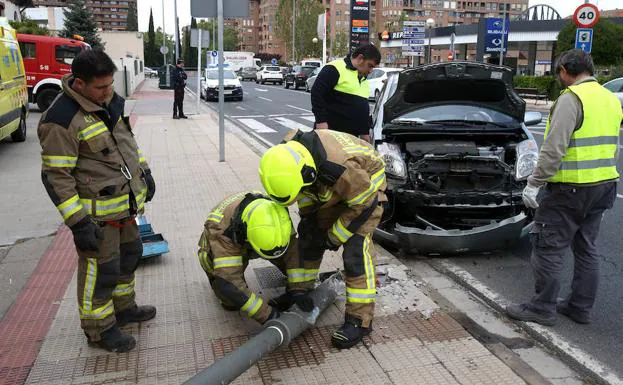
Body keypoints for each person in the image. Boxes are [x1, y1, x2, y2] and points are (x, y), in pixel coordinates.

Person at [38, 50, 157, 353]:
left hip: (125, 207)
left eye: (111, 85)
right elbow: (56, 177)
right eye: (101, 88)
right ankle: (99, 330)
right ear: (79, 84)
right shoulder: (61, 120)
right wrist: (78, 224)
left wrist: (145, 172)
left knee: (130, 256)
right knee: (101, 273)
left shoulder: (110, 102)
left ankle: (124, 309)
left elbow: (127, 144)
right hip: (96, 218)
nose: (109, 93)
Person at [506, 49, 622, 326]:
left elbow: (554, 149)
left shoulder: (571, 99)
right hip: (604, 184)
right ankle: (579, 307)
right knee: (586, 247)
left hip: (570, 188)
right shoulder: (610, 98)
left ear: (564, 71)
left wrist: (534, 184)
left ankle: (542, 308)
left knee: (548, 247)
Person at [259, 129, 386, 349]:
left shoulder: (339, 168)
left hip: (367, 190)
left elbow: (365, 203)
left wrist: (333, 237)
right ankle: (300, 290)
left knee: (356, 250)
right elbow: (305, 196)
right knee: (308, 236)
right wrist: (311, 224)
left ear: (309, 175)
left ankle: (360, 321)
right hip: (333, 185)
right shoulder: (285, 157)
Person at [198, 191, 314, 324]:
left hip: (256, 233)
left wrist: (298, 289)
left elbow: (293, 251)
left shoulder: (278, 215)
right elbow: (230, 282)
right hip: (227, 240)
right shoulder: (223, 232)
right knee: (231, 297)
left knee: (287, 255)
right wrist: (268, 315)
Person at [311, 44, 381, 143]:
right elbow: (317, 94)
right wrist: (321, 121)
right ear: (360, 58)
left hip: (351, 139)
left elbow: (363, 110)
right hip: (331, 134)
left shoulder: (363, 79)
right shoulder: (334, 68)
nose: (370, 71)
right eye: (370, 66)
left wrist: (364, 132)